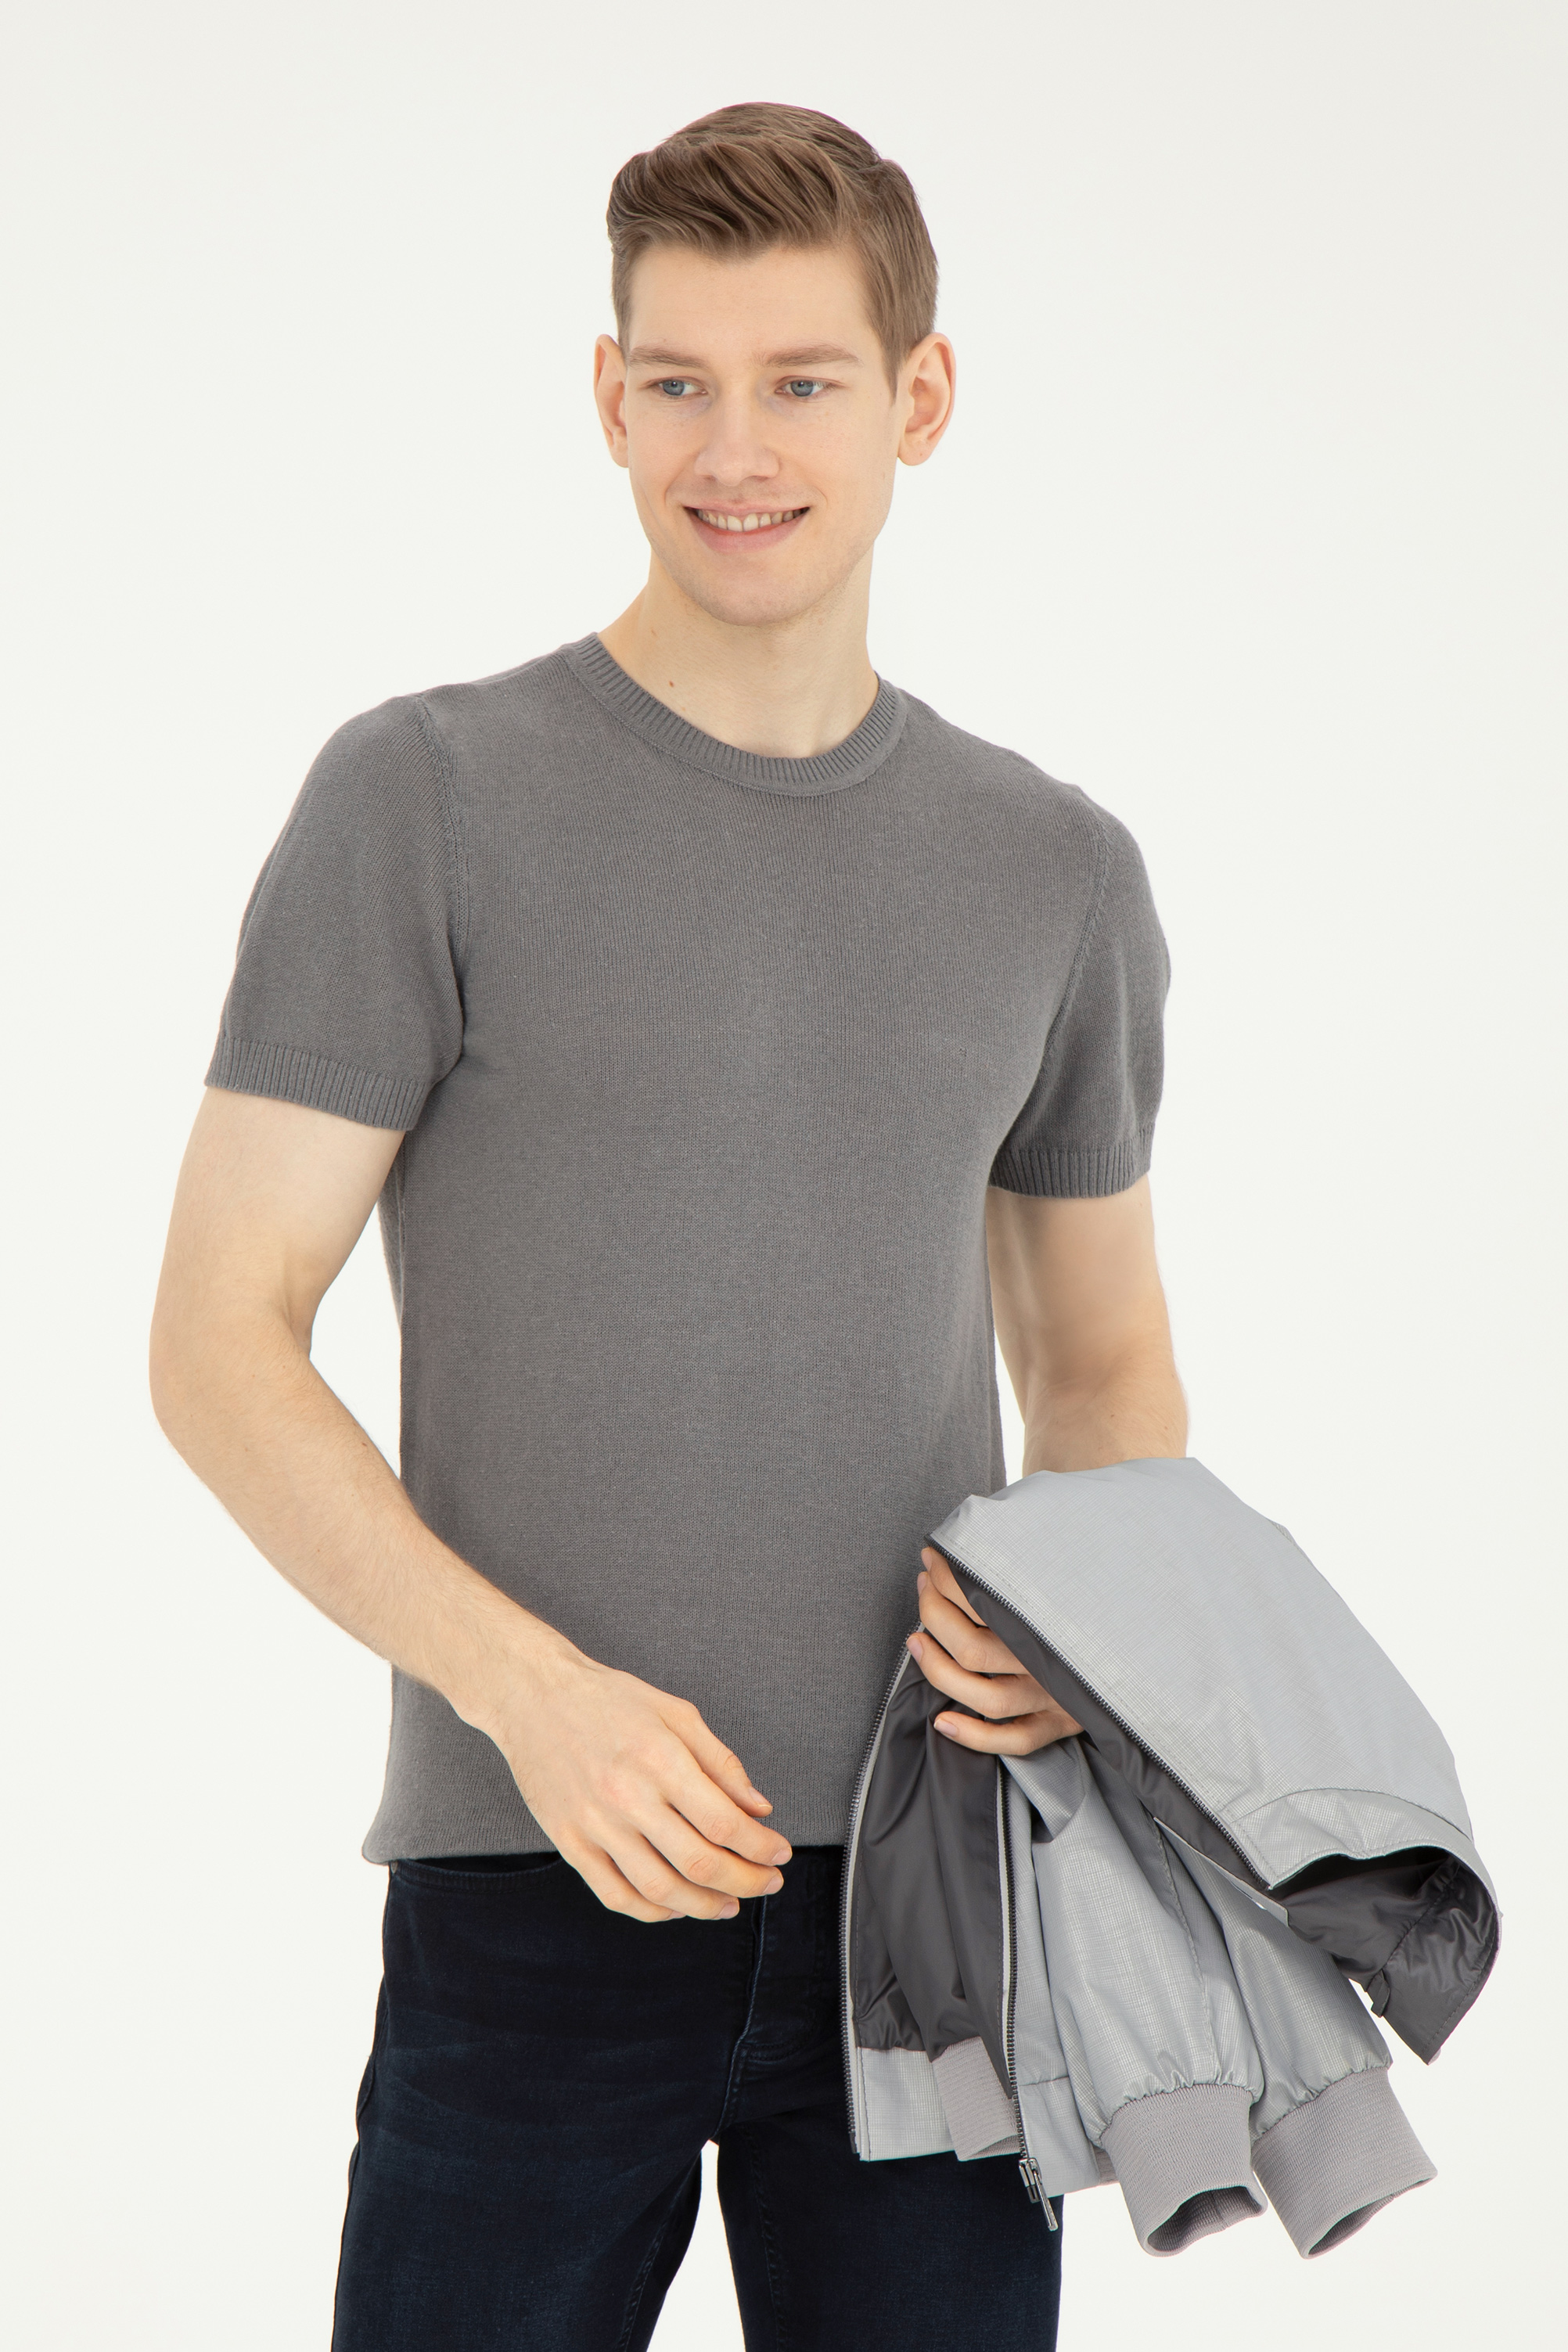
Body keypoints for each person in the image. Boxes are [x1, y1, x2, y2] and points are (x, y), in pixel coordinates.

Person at [150, 101, 1185, 2350]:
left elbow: (1101, 1362)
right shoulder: (422, 798)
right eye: (678, 381)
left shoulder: (1053, 869)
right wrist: (528, 1697)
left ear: (919, 397)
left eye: (802, 380)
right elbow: (220, 1337)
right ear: (606, 396)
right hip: (531, 1881)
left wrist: (1079, 1613)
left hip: (935, 1898)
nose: (734, 449)